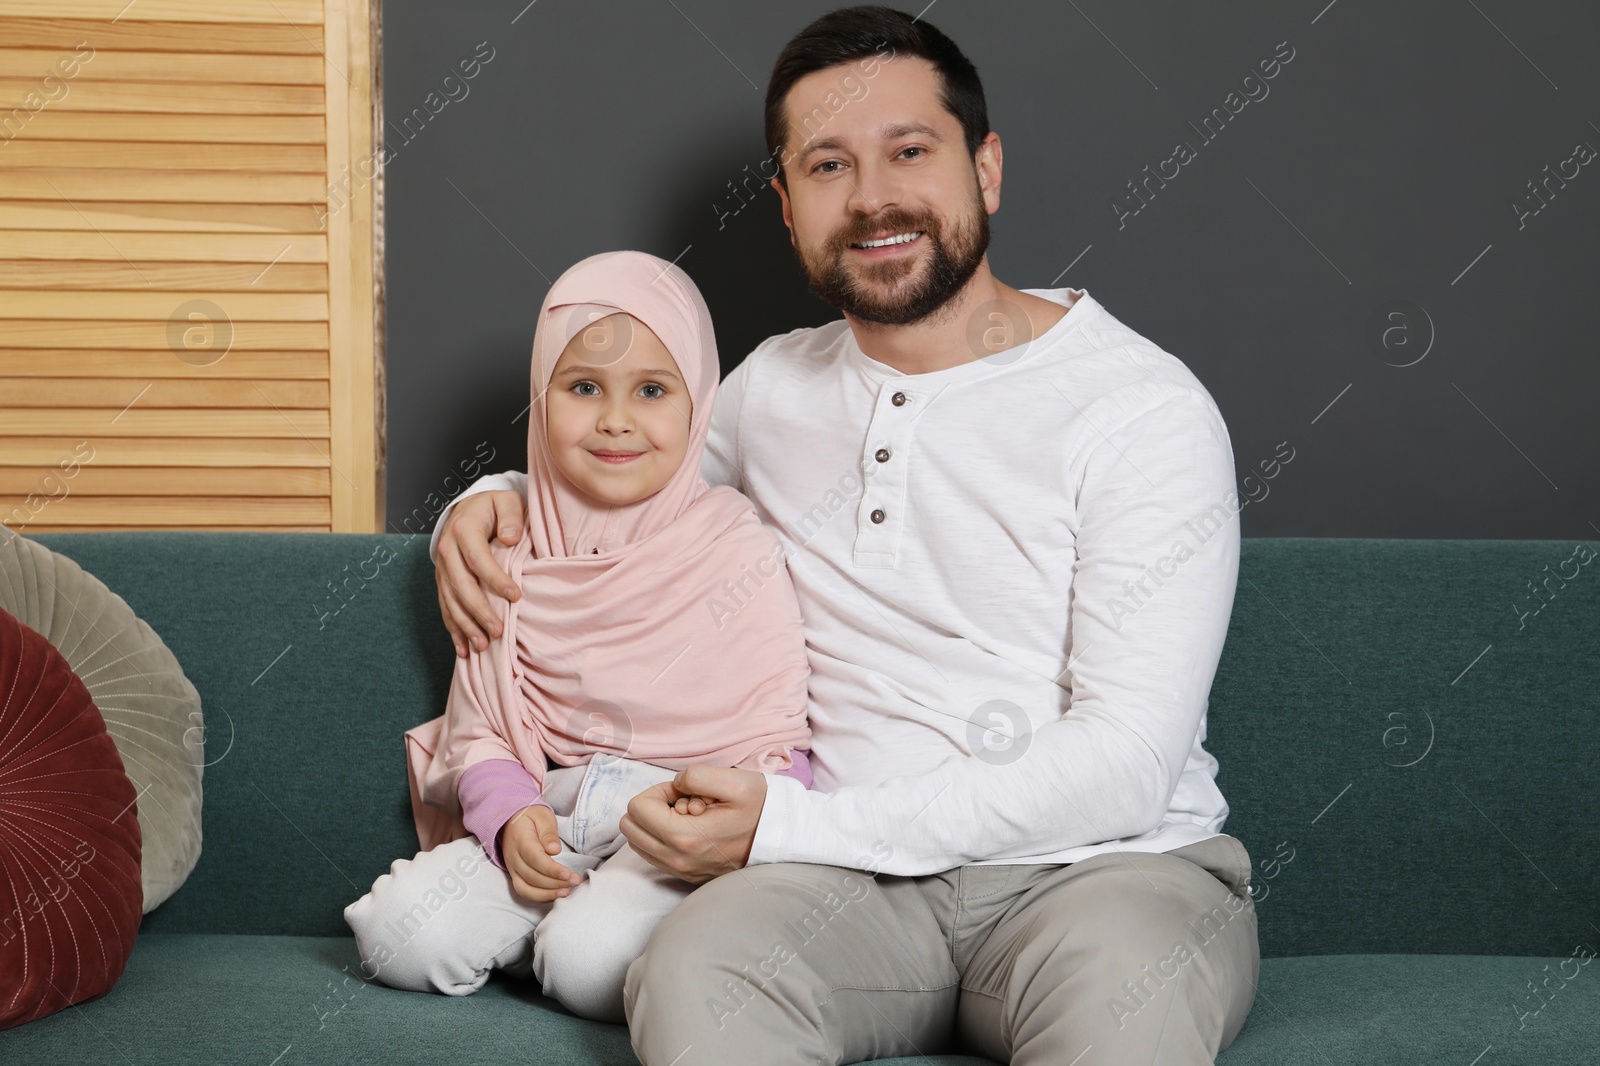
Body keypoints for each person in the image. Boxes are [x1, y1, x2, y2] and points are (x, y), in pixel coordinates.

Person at [429, 7, 1260, 1064]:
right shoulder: (767, 388)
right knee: (696, 979)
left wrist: (785, 826)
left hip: (1105, 873)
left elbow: (1127, 763)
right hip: (840, 898)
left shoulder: (1140, 410)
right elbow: (627, 481)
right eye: (828, 165)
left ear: (986, 168)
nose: (873, 199)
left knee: (1124, 1019)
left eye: (909, 151)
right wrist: (483, 498)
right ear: (785, 207)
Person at [344, 250, 813, 1025]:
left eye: (654, 391)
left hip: (674, 831)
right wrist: (506, 816)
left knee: (590, 964)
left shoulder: (736, 548)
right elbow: (484, 728)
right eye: (584, 387)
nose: (616, 419)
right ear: (542, 394)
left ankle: (563, 940)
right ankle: (546, 928)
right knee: (400, 936)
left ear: (697, 405)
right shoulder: (506, 547)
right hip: (554, 809)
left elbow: (781, 743)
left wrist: (721, 822)